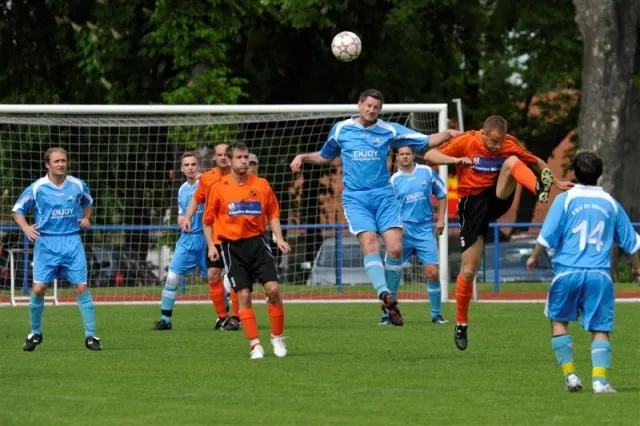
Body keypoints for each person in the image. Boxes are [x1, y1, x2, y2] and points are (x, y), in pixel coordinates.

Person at [290, 89, 459, 326]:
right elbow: (325, 156)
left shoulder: (389, 130)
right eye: (368, 106)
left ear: (380, 110)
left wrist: (449, 133)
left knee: (395, 249)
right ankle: (386, 297)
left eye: (376, 107)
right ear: (359, 105)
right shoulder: (341, 129)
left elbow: (425, 140)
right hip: (356, 199)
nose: (371, 110)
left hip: (384, 197)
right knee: (370, 245)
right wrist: (303, 157)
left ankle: (389, 301)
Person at [424, 115, 574, 350]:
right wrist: (456, 160)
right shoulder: (467, 141)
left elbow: (535, 161)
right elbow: (429, 155)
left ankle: (537, 188)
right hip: (472, 204)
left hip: (497, 197)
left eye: (500, 141)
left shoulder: (508, 144)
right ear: (483, 133)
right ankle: (461, 323)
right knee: (469, 270)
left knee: (513, 161)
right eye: (493, 141)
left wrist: (555, 181)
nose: (496, 146)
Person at [526, 151, 640, 394]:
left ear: (574, 173)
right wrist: (637, 266)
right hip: (599, 275)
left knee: (559, 321)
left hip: (567, 272)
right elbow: (631, 242)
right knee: (600, 327)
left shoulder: (565, 199)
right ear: (600, 174)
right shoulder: (610, 203)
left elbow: (547, 235)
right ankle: (600, 381)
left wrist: (534, 256)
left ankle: (570, 376)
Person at [203, 142, 290, 359]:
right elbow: (208, 221)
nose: (244, 161)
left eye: (246, 157)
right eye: (239, 158)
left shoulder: (261, 184)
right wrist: (211, 245)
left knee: (273, 290)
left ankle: (277, 337)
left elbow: (273, 214)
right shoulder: (219, 188)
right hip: (232, 248)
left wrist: (279, 238)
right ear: (229, 161)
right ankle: (255, 345)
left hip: (258, 244)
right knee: (243, 295)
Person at [12, 147, 101, 351]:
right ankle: (35, 333)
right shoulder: (38, 187)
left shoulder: (77, 185)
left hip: (72, 242)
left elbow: (88, 202)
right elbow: (17, 210)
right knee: (38, 289)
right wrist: (25, 228)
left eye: (63, 160)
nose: (61, 164)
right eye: (56, 161)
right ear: (47, 164)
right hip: (46, 243)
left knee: (81, 288)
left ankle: (91, 336)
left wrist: (86, 218)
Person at [380, 146, 449, 325]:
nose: (404, 157)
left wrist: (441, 220)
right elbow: (387, 207)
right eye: (401, 154)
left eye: (407, 154)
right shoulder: (393, 181)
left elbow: (442, 194)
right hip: (403, 232)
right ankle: (387, 315)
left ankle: (436, 315)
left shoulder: (427, 172)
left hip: (425, 230)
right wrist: (393, 226)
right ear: (397, 157)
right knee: (392, 275)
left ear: (413, 155)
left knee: (432, 273)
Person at [182, 143, 240, 331]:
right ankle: (222, 317)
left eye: (226, 154)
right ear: (214, 157)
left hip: (236, 235)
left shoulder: (239, 176)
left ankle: (236, 317)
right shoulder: (207, 178)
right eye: (219, 154)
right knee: (213, 274)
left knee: (236, 276)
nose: (223, 157)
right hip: (214, 236)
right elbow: (196, 199)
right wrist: (187, 217)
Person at [152, 152, 209, 330]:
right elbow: (181, 212)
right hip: (187, 240)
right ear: (181, 168)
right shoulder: (182, 189)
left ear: (198, 166)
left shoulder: (207, 183)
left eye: (193, 164)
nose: (190, 168)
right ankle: (165, 320)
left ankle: (224, 317)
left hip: (207, 238)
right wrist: (180, 218)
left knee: (217, 278)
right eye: (187, 165)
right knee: (172, 277)